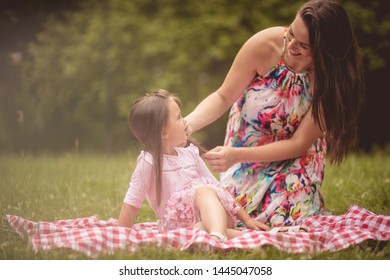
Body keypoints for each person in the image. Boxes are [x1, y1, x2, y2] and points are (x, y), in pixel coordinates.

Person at [185, 0, 364, 227]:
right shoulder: (264, 45)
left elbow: (299, 143)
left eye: (303, 46)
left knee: (286, 219)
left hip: (294, 157)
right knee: (227, 212)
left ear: (325, 51)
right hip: (246, 148)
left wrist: (234, 155)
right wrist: (187, 124)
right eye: (290, 34)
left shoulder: (332, 80)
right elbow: (223, 96)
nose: (290, 46)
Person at [117, 89, 269, 242]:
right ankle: (225, 236)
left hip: (217, 213)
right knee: (200, 227)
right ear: (164, 133)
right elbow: (130, 206)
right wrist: (120, 239)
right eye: (178, 117)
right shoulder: (148, 163)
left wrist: (247, 220)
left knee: (205, 191)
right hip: (182, 226)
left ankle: (217, 236)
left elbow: (217, 190)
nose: (184, 121)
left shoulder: (190, 154)